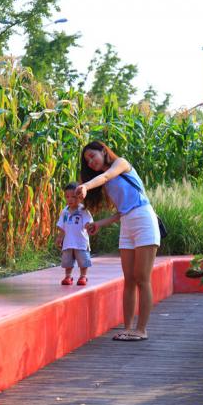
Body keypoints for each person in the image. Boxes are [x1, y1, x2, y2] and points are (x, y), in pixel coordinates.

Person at [74, 141, 160, 341]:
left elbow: (105, 176)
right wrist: (99, 224)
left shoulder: (120, 163)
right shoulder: (107, 184)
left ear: (104, 151)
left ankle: (141, 329)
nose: (91, 162)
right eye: (87, 161)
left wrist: (86, 185)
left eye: (92, 156)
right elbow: (121, 211)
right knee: (129, 279)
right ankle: (128, 328)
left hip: (144, 220)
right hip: (127, 224)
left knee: (142, 278)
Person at [56, 182, 93, 286]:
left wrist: (89, 227)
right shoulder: (64, 212)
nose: (70, 199)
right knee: (67, 261)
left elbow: (88, 223)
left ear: (80, 197)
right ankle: (68, 276)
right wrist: (60, 237)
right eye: (67, 197)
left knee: (83, 260)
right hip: (68, 242)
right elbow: (62, 227)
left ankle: (83, 276)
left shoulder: (83, 210)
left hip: (81, 242)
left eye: (73, 197)